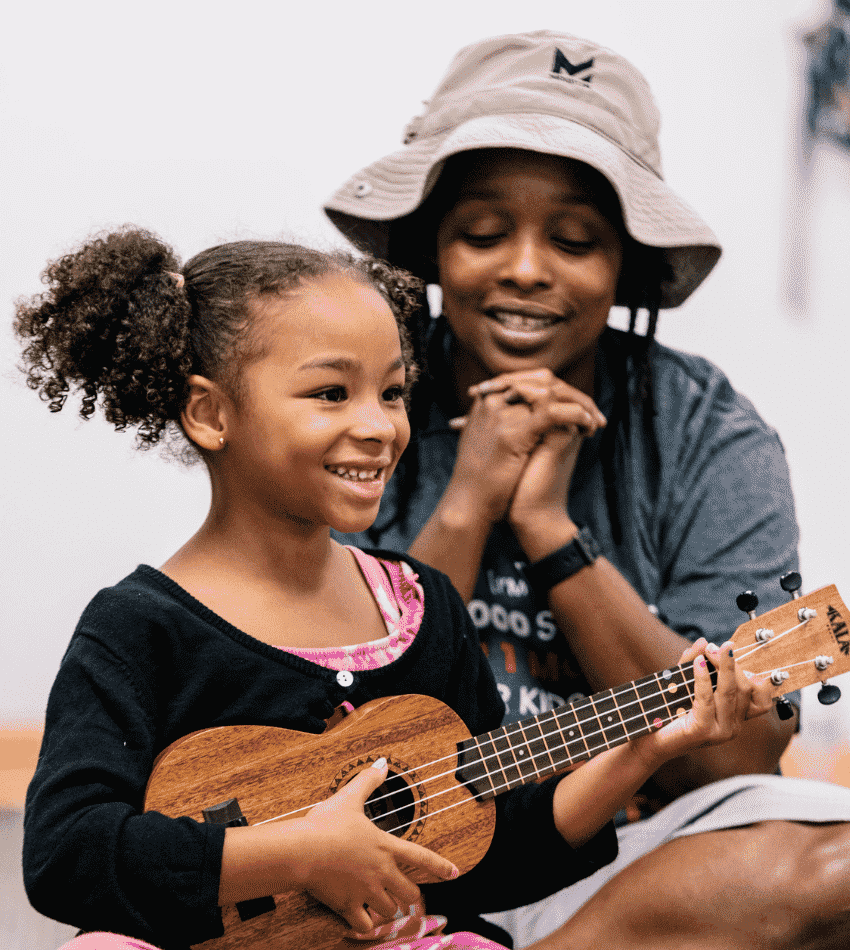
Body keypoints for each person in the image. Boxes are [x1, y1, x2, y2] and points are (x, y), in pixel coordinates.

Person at [16, 229, 766, 950]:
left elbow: (488, 850)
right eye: (332, 393)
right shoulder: (139, 627)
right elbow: (67, 853)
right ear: (211, 414)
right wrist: (298, 853)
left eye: (394, 392)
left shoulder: (424, 605)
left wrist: (643, 750)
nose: (379, 426)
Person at [323, 30, 850, 950]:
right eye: (484, 232)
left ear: (629, 267)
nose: (526, 267)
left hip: (626, 863)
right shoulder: (356, 400)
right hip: (377, 853)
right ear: (432, 247)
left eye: (575, 240)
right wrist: (469, 502)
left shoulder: (709, 433)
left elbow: (735, 756)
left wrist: (551, 532)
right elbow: (316, 715)